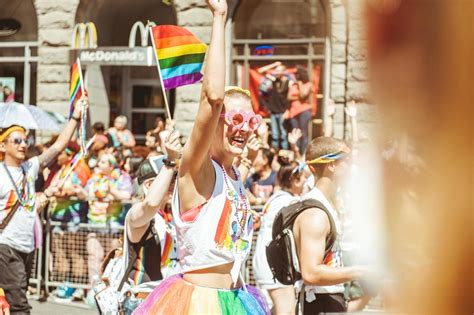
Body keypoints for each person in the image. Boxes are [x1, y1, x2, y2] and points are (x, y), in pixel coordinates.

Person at [134, 1, 269, 314]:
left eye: (251, 121)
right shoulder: (197, 170)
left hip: (236, 299)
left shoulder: (233, 176)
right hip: (199, 303)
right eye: (235, 119)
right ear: (218, 121)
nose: (244, 129)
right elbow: (212, 98)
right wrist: (219, 18)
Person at [0, 97, 88, 314]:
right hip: (5, 245)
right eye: (17, 141)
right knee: (20, 305)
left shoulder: (30, 168)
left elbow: (59, 146)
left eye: (25, 140)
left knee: (12, 300)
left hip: (26, 245)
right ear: (3, 145)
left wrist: (75, 117)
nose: (23, 145)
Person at [293, 136, 366, 314]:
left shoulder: (326, 205)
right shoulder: (315, 214)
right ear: (331, 165)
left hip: (328, 299)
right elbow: (311, 273)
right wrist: (361, 271)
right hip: (321, 302)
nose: (352, 166)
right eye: (348, 160)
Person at [121, 132, 182, 313]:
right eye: (171, 180)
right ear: (149, 185)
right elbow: (151, 204)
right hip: (143, 303)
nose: (175, 185)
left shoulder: (171, 216)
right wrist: (170, 161)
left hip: (170, 301)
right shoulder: (137, 214)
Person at [253, 161, 306, 314]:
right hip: (274, 264)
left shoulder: (276, 198)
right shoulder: (288, 201)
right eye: (303, 178)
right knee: (287, 311)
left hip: (267, 261)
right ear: (294, 180)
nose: (305, 183)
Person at [258, 62, 290, 150]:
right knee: (275, 134)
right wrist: (273, 65)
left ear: (283, 72)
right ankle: (274, 155)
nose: (277, 72)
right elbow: (261, 71)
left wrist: (287, 111)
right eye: (276, 71)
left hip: (283, 111)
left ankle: (284, 156)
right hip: (274, 111)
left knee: (283, 134)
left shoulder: (288, 82)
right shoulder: (274, 80)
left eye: (279, 71)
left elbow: (290, 98)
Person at [287, 66, 313, 153]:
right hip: (294, 112)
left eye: (297, 74)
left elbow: (303, 95)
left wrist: (300, 84)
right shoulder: (293, 85)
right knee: (295, 134)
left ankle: (304, 153)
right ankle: (296, 152)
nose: (295, 76)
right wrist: (298, 98)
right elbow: (288, 97)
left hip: (304, 111)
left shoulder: (308, 84)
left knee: (304, 134)